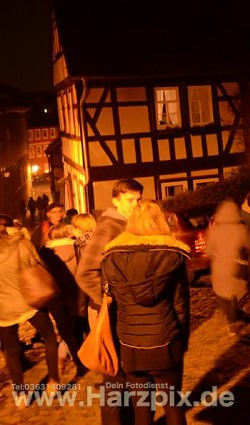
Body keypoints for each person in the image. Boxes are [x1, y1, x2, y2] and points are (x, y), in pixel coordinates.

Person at [102, 201, 190, 425]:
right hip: (165, 339)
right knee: (172, 404)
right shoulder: (172, 254)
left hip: (130, 342)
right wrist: (182, 340)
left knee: (141, 406)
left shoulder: (112, 255)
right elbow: (180, 304)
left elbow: (114, 302)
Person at [75, 177, 143, 425]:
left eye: (138, 199)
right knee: (115, 374)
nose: (135, 205)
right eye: (130, 200)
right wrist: (107, 300)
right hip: (109, 312)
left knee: (124, 373)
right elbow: (84, 272)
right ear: (115, 200)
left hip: (122, 312)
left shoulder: (127, 224)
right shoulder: (109, 228)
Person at [0, 218, 61, 392]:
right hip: (29, 300)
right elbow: (39, 264)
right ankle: (53, 381)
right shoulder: (22, 243)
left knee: (11, 350)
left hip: (3, 308)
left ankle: (19, 393)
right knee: (49, 337)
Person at [41, 224, 87, 376]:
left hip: (56, 295)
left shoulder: (45, 252)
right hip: (75, 292)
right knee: (76, 327)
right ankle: (82, 360)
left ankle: (76, 360)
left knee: (65, 331)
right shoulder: (77, 248)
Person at [207, 199, 250, 335]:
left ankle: (233, 321)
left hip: (220, 267)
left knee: (222, 294)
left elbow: (209, 250)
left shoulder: (215, 230)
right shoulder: (242, 229)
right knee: (233, 294)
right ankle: (236, 318)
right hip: (236, 266)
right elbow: (248, 246)